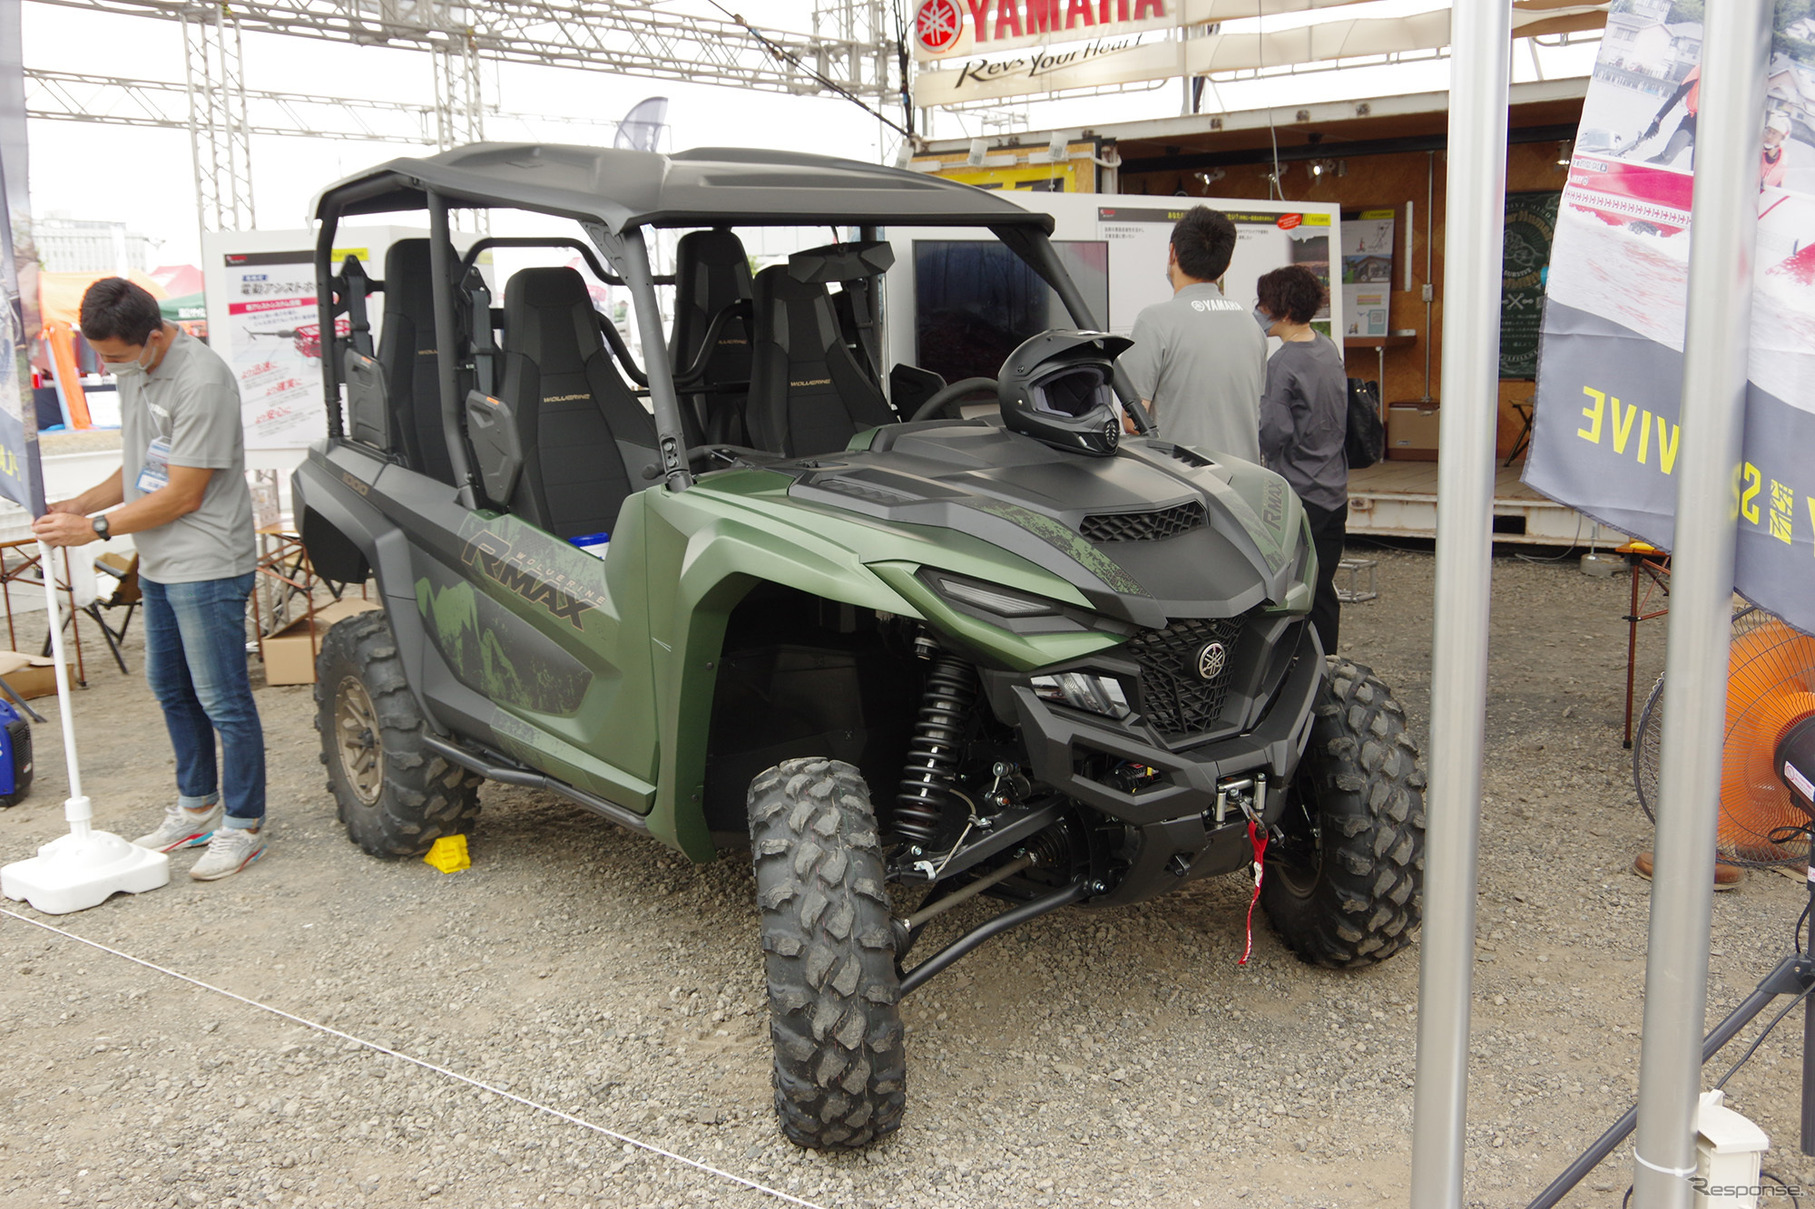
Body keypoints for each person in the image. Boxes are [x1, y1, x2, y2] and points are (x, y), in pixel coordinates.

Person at [33, 278, 266, 881]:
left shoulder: (202, 380)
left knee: (222, 699)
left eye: (113, 356)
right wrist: (79, 506)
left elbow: (184, 493)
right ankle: (197, 807)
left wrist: (98, 527)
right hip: (162, 560)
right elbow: (139, 465)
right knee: (170, 686)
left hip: (208, 561)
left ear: (154, 337)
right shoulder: (139, 369)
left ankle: (243, 825)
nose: (107, 367)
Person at [1118, 205, 1266, 462]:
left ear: (1172, 252)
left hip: (1187, 489)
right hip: (1244, 483)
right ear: (1226, 265)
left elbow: (1133, 421)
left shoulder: (1154, 321)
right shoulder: (1251, 326)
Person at [1253, 264, 1347, 656]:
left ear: (1283, 309)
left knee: (1292, 591)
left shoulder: (1282, 364)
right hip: (1334, 489)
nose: (1259, 309)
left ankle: (1295, 673)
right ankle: (1328, 666)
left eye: (1265, 302)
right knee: (1323, 587)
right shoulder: (1327, 347)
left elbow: (1275, 434)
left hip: (1299, 492)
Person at [1642, 64, 1701, 167]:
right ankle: (1634, 172)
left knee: (1699, 172)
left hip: (1711, 129)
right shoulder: (1701, 69)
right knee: (1666, 158)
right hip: (1691, 123)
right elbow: (1677, 96)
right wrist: (1657, 120)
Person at [1761, 110, 1792, 191]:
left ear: (1782, 139)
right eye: (1768, 131)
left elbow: (1778, 189)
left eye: (1774, 133)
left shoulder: (1783, 160)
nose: (1769, 136)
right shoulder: (1755, 151)